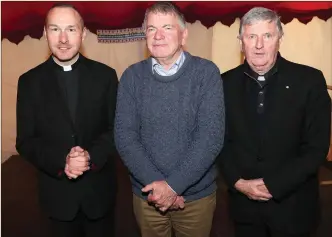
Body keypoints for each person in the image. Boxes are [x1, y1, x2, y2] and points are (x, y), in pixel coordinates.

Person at [218, 7, 331, 237]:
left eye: (267, 36)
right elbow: (218, 141)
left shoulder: (310, 81)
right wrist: (238, 182)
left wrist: (274, 185)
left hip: (294, 208)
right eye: (251, 36)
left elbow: (317, 148)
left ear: (279, 39)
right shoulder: (223, 83)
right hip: (244, 210)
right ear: (241, 42)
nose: (259, 45)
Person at [114, 2, 225, 237]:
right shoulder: (131, 77)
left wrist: (174, 186)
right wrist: (160, 187)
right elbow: (125, 137)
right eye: (151, 29)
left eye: (167, 27)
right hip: (148, 194)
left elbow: (210, 137)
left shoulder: (207, 74)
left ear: (183, 35)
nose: (158, 36)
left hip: (195, 199)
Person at [16, 3, 118, 237]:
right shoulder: (29, 82)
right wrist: (62, 162)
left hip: (99, 195)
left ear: (83, 34)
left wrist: (90, 156)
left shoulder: (105, 76)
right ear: (44, 34)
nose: (63, 38)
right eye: (55, 29)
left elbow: (117, 129)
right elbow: (25, 140)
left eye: (71, 29)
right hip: (57, 197)